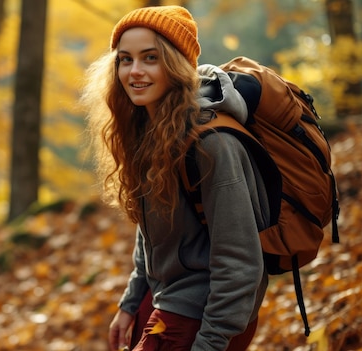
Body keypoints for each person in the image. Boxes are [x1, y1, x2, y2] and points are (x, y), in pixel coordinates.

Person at [80, 5, 271, 351]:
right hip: (166, 298)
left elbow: (241, 263)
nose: (135, 71)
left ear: (176, 65)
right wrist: (131, 302)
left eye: (150, 58)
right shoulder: (148, 132)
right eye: (125, 59)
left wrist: (211, 342)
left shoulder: (211, 144)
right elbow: (152, 234)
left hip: (206, 315)